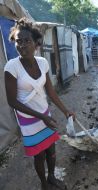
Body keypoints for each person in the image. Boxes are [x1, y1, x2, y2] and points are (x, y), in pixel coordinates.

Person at [4, 18, 75, 190]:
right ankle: (44, 184)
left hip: (44, 113)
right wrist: (40, 116)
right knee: (39, 155)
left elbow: (50, 92)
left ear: (37, 43)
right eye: (18, 41)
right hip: (29, 120)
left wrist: (66, 111)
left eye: (26, 41)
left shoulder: (43, 63)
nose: (21, 45)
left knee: (51, 150)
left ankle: (51, 177)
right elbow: (12, 101)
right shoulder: (11, 67)